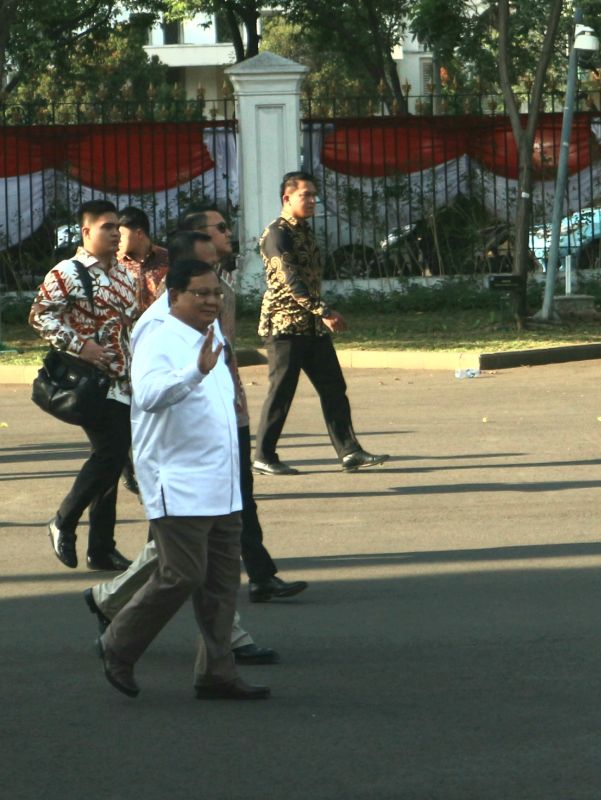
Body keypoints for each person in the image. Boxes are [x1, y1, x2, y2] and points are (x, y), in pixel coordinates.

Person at [84, 227, 298, 667]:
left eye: (215, 291)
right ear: (172, 290)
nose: (211, 300)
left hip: (220, 477)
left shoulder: (206, 326)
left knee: (219, 583)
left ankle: (218, 674)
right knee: (181, 573)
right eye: (200, 292)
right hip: (179, 479)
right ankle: (118, 644)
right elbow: (147, 396)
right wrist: (194, 373)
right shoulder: (158, 332)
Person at [178, 206, 310, 602]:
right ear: (198, 238)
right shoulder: (177, 291)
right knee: (189, 516)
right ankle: (118, 596)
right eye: (219, 229)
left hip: (226, 405)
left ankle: (260, 575)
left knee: (237, 499)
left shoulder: (218, 284)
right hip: (198, 412)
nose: (228, 234)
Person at [253, 170, 388, 475]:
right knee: (282, 391)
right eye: (306, 195)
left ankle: (349, 451)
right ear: (287, 198)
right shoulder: (277, 233)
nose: (313, 201)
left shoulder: (304, 231)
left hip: (311, 326)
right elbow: (291, 281)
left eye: (314, 195)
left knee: (333, 387)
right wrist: (324, 311)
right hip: (284, 325)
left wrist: (319, 313)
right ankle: (263, 455)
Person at [30, 200, 135, 571]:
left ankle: (101, 548)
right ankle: (63, 520)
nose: (114, 233)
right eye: (106, 227)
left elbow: (129, 327)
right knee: (111, 452)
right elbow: (40, 317)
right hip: (91, 384)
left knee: (111, 458)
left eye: (117, 227)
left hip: (122, 383)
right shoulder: (68, 272)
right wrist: (82, 346)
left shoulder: (124, 275)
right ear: (86, 231)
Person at [116, 205, 169, 497]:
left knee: (156, 411)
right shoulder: (114, 263)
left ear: (139, 233)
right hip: (124, 348)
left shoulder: (167, 259)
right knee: (123, 411)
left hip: (159, 347)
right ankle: (127, 468)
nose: (117, 239)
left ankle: (156, 470)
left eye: (121, 233)